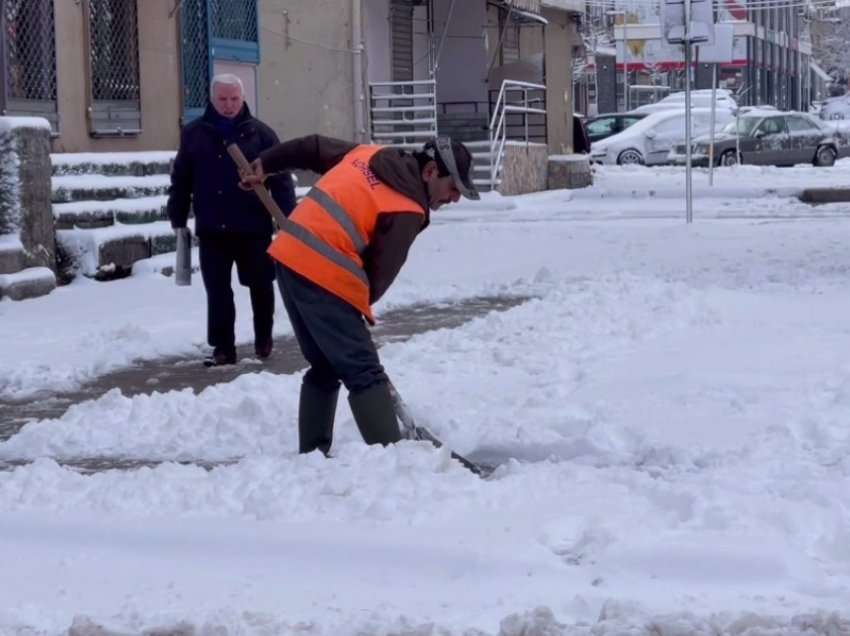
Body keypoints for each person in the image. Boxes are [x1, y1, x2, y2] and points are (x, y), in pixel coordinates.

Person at [239, 135, 478, 454]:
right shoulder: (406, 207)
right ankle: (393, 459)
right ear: (431, 171)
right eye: (453, 188)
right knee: (363, 369)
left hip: (290, 255)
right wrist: (353, 311)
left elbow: (312, 147)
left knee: (324, 365)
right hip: (323, 272)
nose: (454, 198)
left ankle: (312, 454)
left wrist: (266, 163)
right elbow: (379, 274)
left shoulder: (366, 154)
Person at [167, 74, 296, 367]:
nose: (228, 105)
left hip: (254, 226)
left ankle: (263, 337)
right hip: (213, 226)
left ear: (243, 98)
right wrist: (177, 214)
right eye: (223, 99)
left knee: (261, 284)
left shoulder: (261, 134)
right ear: (212, 100)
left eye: (234, 99)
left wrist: (288, 221)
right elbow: (182, 178)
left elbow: (282, 179)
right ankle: (223, 347)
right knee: (218, 290)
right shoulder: (194, 134)